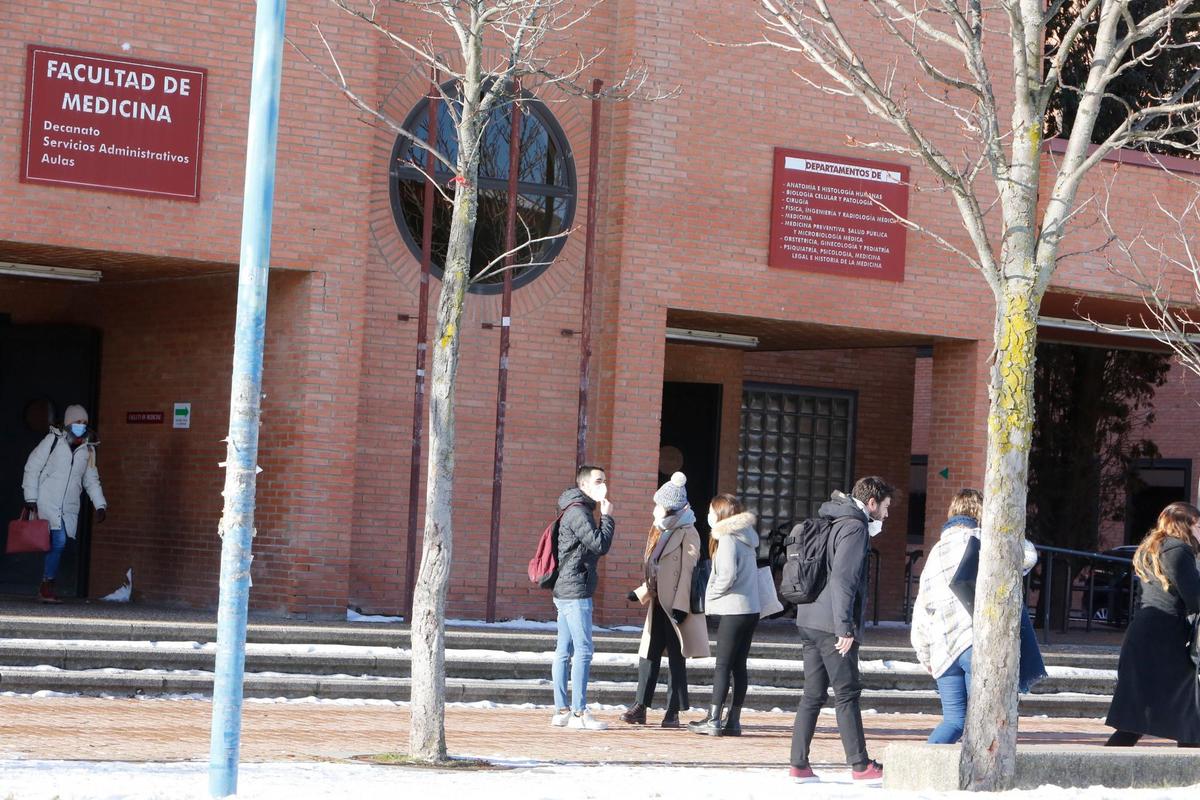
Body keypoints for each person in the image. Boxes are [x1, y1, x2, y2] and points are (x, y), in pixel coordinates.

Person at [909, 488, 1043, 744]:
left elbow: (923, 605)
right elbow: (1028, 555)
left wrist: (924, 652)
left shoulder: (938, 550)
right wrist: (1002, 526)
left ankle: (925, 770)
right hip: (976, 642)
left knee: (954, 721)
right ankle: (982, 778)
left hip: (943, 646)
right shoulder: (989, 542)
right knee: (984, 719)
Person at [788, 476, 893, 784]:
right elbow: (843, 579)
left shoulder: (835, 519)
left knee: (813, 694)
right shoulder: (855, 527)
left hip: (809, 617)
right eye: (885, 507)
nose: (887, 515)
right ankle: (861, 766)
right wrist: (844, 628)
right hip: (831, 623)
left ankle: (798, 765)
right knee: (847, 693)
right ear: (871, 504)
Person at [1105, 501, 1200, 748]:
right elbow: (1195, 598)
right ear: (1186, 525)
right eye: (1199, 524)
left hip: (1146, 632)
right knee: (1184, 705)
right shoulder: (1178, 550)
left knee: (1140, 715)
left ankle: (1106, 769)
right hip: (1163, 636)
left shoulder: (1152, 549)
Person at [621, 472, 709, 728]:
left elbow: (688, 572)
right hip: (658, 602)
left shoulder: (688, 531)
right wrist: (642, 592)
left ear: (671, 507)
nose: (655, 508)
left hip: (675, 606)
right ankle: (641, 706)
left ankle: (673, 711)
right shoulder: (660, 529)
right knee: (648, 654)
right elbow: (657, 569)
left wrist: (681, 605)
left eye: (659, 504)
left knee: (676, 658)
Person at [688, 493, 760, 736]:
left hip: (733, 608)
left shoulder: (728, 538)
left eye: (711, 509)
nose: (708, 514)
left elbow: (727, 575)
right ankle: (733, 720)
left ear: (719, 513)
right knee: (739, 665)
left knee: (723, 665)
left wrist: (713, 594)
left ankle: (714, 718)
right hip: (750, 609)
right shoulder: (747, 536)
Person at [550, 464, 615, 731]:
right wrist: (608, 517)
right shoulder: (579, 512)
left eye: (604, 480)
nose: (604, 485)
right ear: (584, 486)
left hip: (567, 587)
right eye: (598, 481)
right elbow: (600, 544)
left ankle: (561, 710)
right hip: (575, 589)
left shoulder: (575, 508)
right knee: (584, 650)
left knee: (564, 651)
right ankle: (578, 713)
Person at [22, 404, 107, 604]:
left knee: (57, 543)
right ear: (69, 422)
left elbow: (91, 480)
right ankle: (47, 584)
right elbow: (32, 467)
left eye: (85, 423)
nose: (82, 426)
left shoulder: (88, 449)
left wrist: (100, 505)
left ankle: (46, 584)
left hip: (68, 506)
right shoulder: (53, 441)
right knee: (57, 542)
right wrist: (31, 498)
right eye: (78, 422)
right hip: (46, 501)